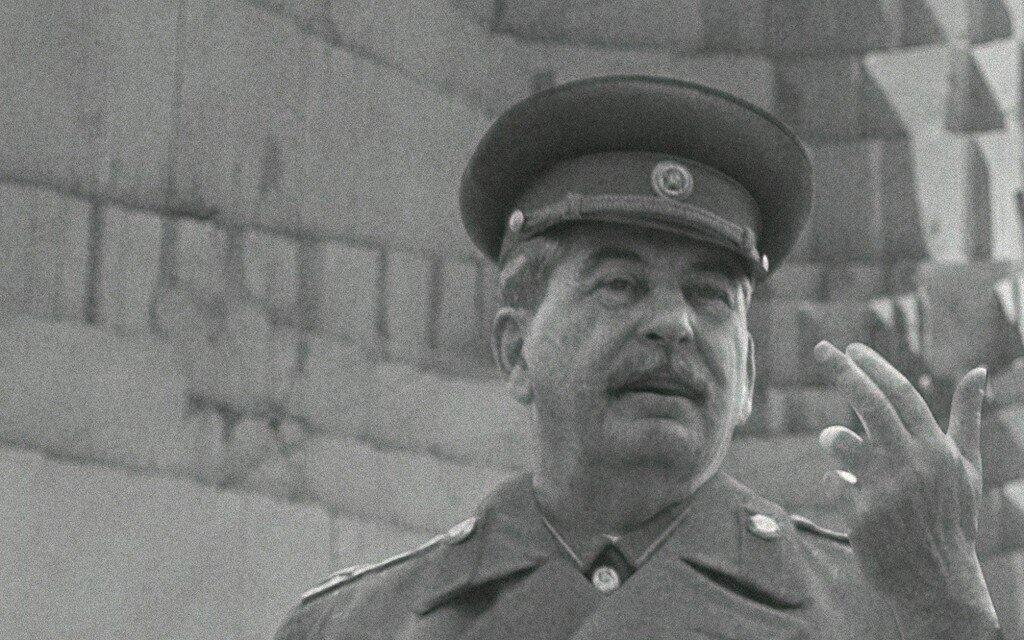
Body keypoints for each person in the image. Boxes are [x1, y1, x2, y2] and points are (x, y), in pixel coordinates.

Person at [274, 76, 1002, 639]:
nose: (674, 324)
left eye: (710, 295)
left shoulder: (876, 615)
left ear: (747, 378)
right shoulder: (359, 627)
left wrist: (950, 614)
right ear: (516, 351)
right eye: (620, 285)